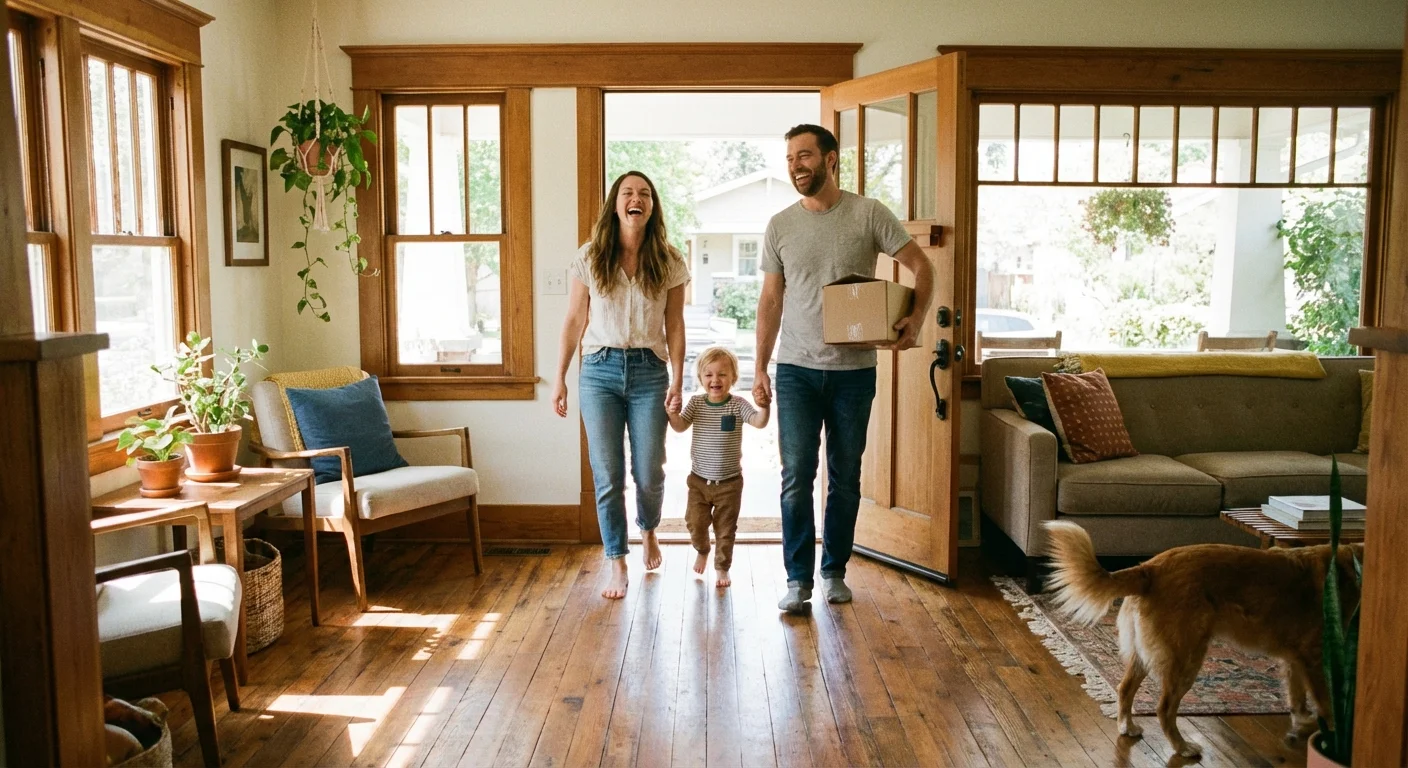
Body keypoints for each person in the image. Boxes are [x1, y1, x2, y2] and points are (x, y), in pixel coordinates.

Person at [753, 124, 935, 614]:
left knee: (846, 477)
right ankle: (797, 580)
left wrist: (914, 322)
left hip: (854, 371)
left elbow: (923, 267)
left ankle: (834, 571)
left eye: (805, 156)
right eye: (790, 157)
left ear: (832, 160)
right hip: (795, 369)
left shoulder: (868, 214)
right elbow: (771, 300)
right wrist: (759, 368)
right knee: (796, 477)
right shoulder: (780, 225)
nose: (796, 166)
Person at [552, 171, 689, 599]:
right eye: (628, 193)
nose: (636, 199)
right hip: (599, 371)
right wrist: (559, 377)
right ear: (616, 204)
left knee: (649, 471)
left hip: (651, 370)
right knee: (608, 474)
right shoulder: (590, 257)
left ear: (652, 207)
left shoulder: (669, 260)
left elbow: (675, 323)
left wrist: (680, 377)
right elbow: (574, 319)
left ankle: (648, 529)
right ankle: (616, 560)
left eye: (645, 194)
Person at [666, 346, 771, 588]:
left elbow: (759, 422)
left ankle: (722, 567)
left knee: (725, 530)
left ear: (733, 378)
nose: (715, 380)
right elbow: (680, 426)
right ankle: (702, 549)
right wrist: (672, 413)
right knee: (694, 522)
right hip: (698, 481)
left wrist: (764, 405)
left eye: (722, 374)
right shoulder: (696, 403)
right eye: (709, 374)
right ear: (701, 378)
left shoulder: (737, 405)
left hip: (729, 484)